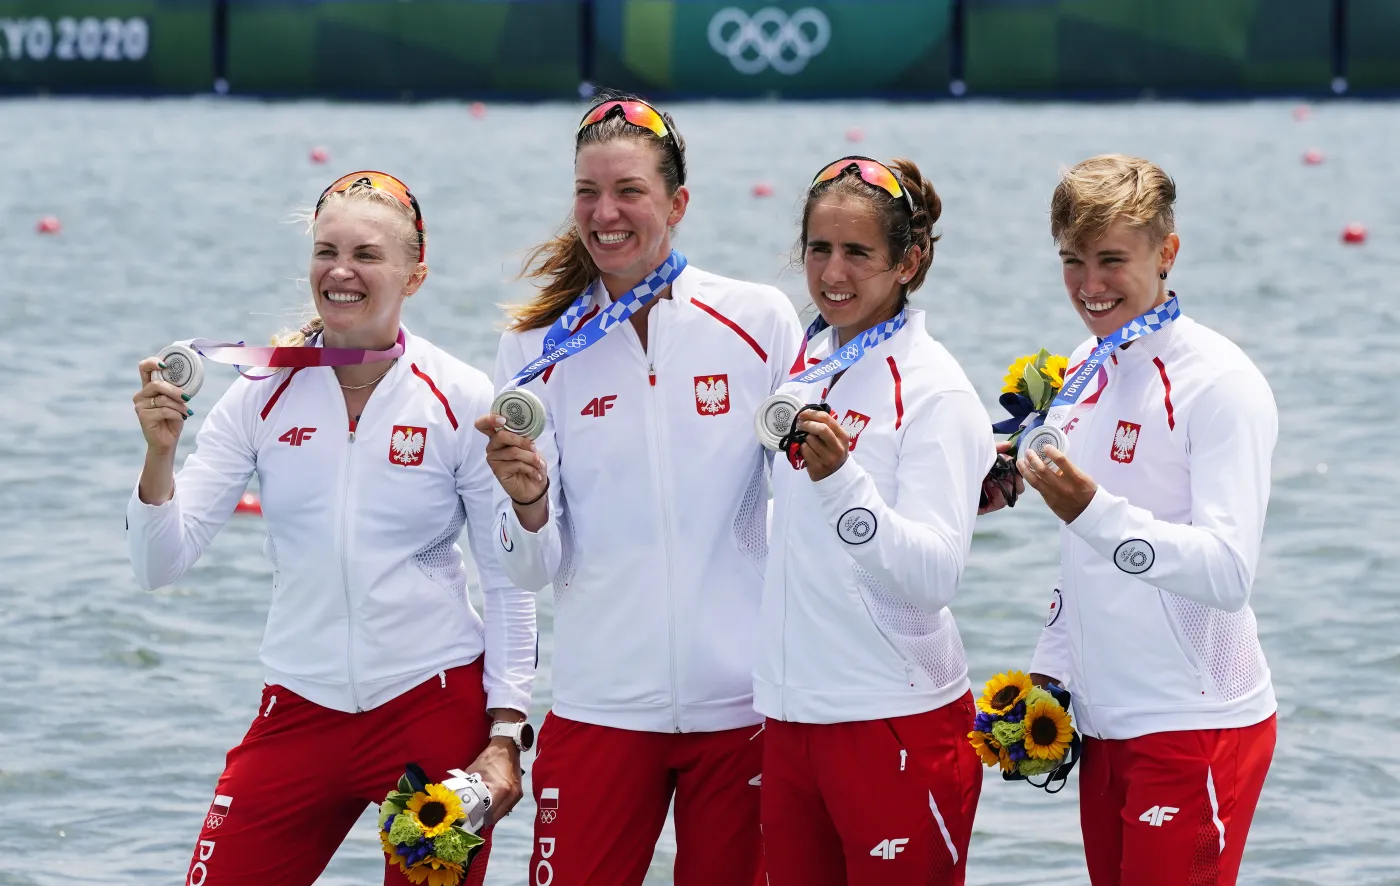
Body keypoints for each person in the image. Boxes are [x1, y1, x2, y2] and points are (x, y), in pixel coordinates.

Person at [127, 171, 536, 886]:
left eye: (367, 255)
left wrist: (505, 734)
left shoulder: (460, 397)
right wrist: (159, 454)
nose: (341, 272)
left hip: (428, 713)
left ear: (415, 274)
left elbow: (507, 583)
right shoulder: (261, 392)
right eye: (326, 251)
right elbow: (159, 565)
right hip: (298, 713)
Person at [473, 95, 802, 886]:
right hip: (600, 709)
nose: (604, 213)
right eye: (587, 192)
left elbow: (807, 510)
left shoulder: (758, 320)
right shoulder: (531, 349)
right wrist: (526, 505)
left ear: (677, 204)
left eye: (628, 192)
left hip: (743, 710)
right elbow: (527, 569)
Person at [1017, 155, 1277, 886]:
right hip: (1104, 726)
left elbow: (1227, 574)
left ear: (1167, 253)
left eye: (1110, 260)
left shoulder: (1221, 384)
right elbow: (1082, 558)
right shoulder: (1084, 366)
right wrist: (1050, 672)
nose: (1089, 287)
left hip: (1196, 726)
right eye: (1072, 261)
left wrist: (1095, 512)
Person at [753, 156, 993, 886]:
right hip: (791, 721)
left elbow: (934, 575)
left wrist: (842, 484)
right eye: (819, 249)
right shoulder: (806, 365)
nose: (833, 272)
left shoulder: (935, 389)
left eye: (858, 252)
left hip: (896, 720)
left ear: (908, 262)